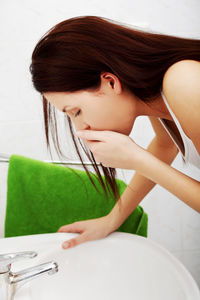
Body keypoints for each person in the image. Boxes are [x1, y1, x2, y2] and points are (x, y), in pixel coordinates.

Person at [30, 15, 200, 250]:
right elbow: (164, 145)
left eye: (76, 111)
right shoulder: (155, 92)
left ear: (110, 82)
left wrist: (138, 160)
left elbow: (151, 159)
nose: (81, 130)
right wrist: (112, 220)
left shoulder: (185, 81)